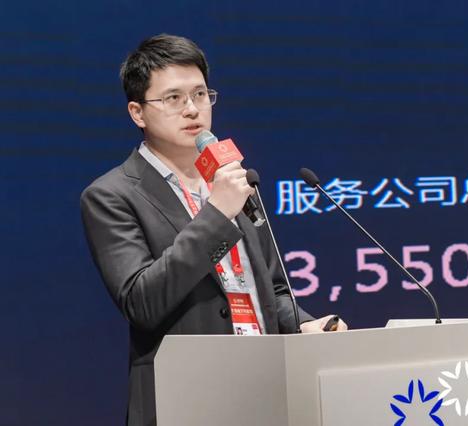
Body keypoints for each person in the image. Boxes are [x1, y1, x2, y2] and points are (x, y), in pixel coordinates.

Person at [80, 34, 346, 426]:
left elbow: (271, 289)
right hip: (184, 397)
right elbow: (142, 302)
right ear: (138, 112)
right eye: (173, 98)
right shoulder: (112, 195)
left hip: (266, 387)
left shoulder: (232, 179)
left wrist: (303, 323)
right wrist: (217, 212)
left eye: (200, 94)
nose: (192, 109)